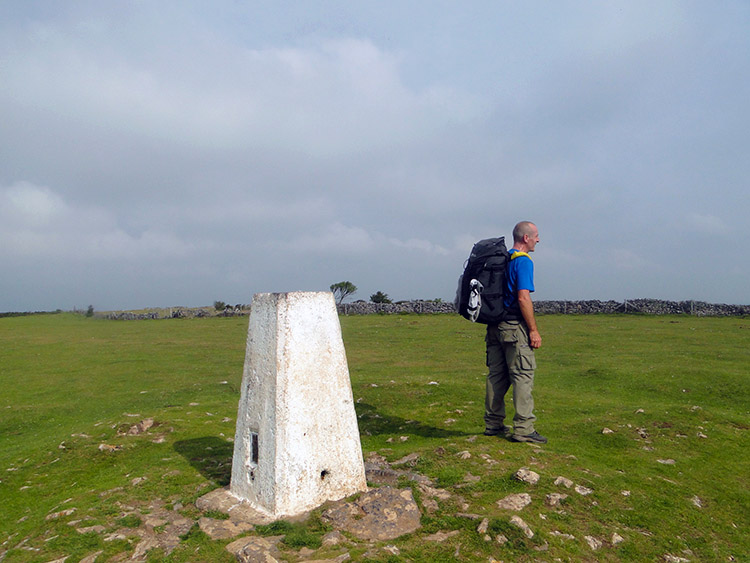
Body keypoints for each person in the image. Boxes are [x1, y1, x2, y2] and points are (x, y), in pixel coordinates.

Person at [483, 221, 547, 444]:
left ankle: (493, 423)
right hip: (513, 327)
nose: (538, 240)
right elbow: (523, 297)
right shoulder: (523, 262)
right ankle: (524, 427)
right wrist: (533, 330)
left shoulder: (501, 260)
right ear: (526, 238)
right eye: (536, 236)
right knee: (522, 374)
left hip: (494, 326)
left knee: (496, 376)